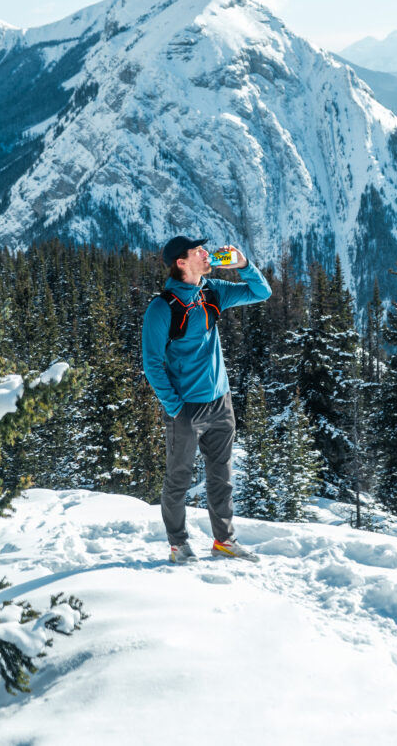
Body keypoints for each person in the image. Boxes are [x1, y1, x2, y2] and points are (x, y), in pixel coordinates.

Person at [142, 236, 272, 563]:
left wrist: (243, 265)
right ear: (182, 263)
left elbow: (262, 292)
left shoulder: (211, 290)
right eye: (197, 251)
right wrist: (175, 408)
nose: (205, 253)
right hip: (186, 409)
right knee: (179, 479)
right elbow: (152, 364)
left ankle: (224, 541)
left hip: (220, 402)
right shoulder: (162, 308)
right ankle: (178, 544)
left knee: (221, 478)